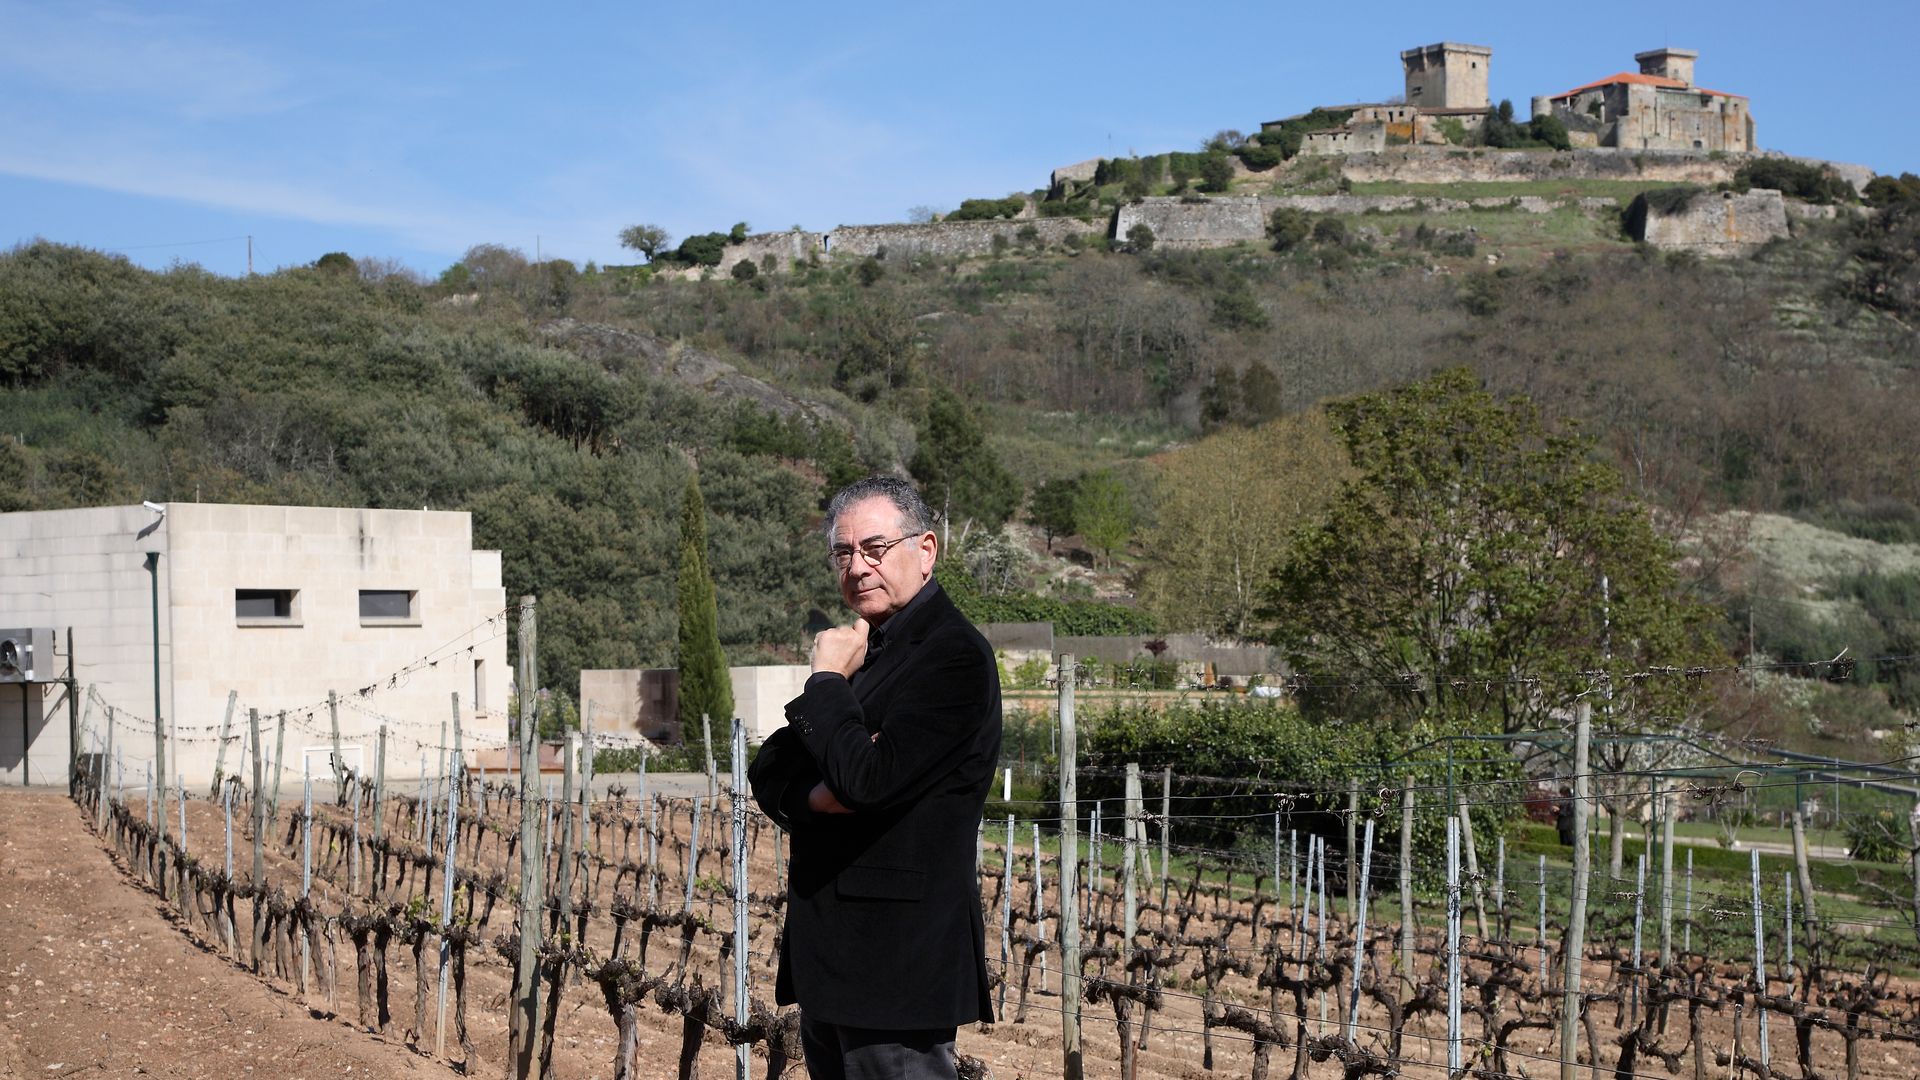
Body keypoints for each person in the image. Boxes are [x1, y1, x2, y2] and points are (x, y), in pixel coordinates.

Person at [749, 475, 1002, 1080]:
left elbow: (865, 781)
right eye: (843, 552)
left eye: (875, 548)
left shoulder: (953, 656)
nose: (857, 567)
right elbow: (770, 770)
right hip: (835, 963)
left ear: (927, 548)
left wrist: (828, 684)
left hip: (897, 970)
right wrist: (823, 791)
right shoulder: (874, 651)